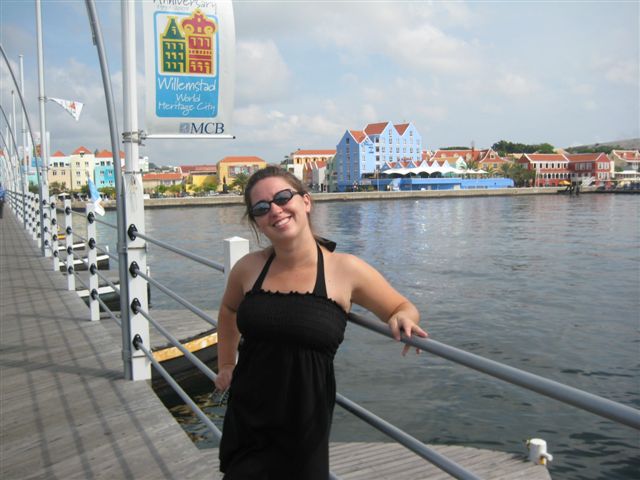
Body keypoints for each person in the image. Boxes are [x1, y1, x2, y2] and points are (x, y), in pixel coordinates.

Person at [215, 166, 427, 479]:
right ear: (256, 221)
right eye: (261, 207)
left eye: (282, 197)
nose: (275, 210)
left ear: (306, 201)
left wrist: (403, 317)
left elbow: (401, 306)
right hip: (247, 414)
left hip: (304, 423)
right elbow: (229, 309)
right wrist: (225, 364)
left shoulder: (346, 270)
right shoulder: (248, 268)